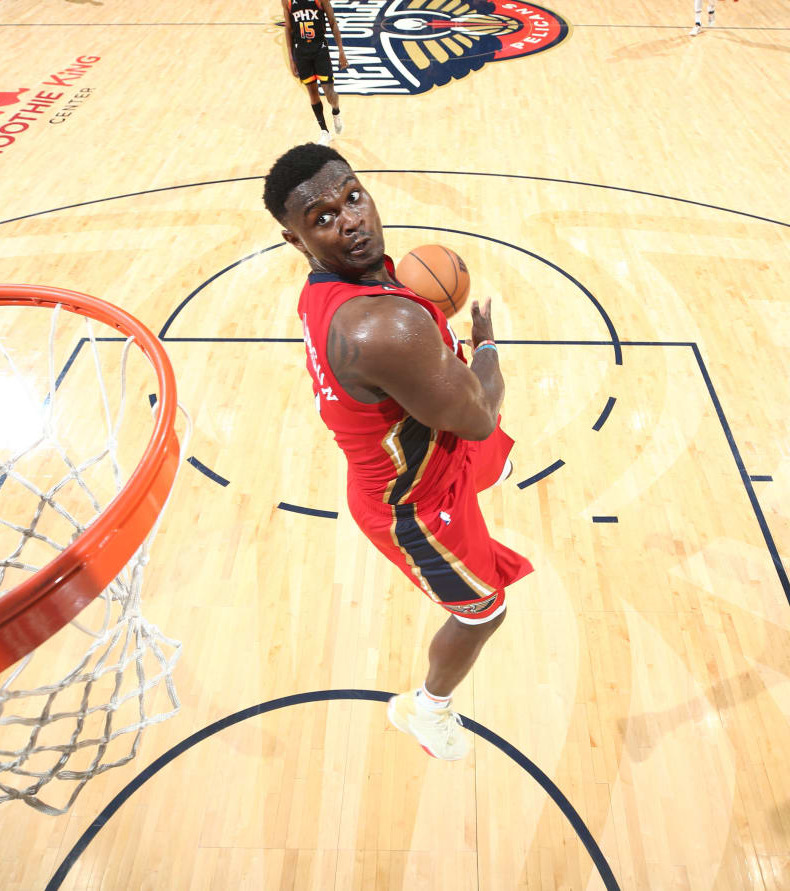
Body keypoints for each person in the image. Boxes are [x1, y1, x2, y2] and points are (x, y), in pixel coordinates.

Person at [262, 143, 533, 761]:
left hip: (424, 450)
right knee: (484, 613)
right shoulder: (384, 327)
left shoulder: (332, 287)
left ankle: (489, 472)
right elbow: (478, 418)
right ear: (295, 240)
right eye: (324, 218)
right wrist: (485, 347)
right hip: (413, 508)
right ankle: (426, 710)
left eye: (352, 197)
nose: (351, 220)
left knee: (484, 448)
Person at [282, 0, 347, 145]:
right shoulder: (287, 1)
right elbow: (288, 29)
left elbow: (333, 23)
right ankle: (324, 131)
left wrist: (341, 51)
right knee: (312, 93)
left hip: (319, 49)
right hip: (301, 52)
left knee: (329, 92)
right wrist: (291, 58)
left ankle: (336, 111)